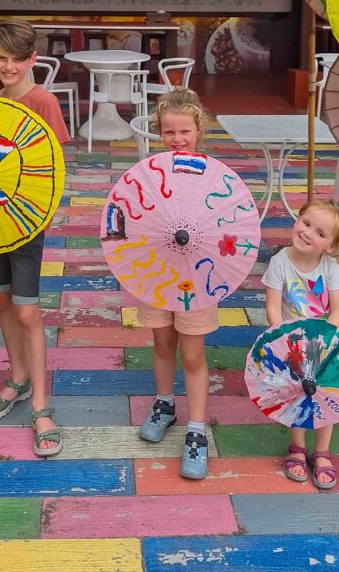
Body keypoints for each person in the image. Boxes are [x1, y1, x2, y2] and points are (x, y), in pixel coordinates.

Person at [0, 19, 70, 458]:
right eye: (1, 58)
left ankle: (40, 403)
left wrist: (35, 212)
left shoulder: (43, 101)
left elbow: (54, 167)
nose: (8, 66)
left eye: (17, 59)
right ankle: (17, 378)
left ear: (33, 60)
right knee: (3, 301)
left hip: (27, 221)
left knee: (28, 311)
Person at [136, 88, 216, 480]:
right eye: (169, 132)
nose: (177, 139)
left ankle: (197, 430)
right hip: (156, 272)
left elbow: (224, 226)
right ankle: (164, 403)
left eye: (185, 131)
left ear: (199, 129)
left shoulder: (214, 177)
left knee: (193, 354)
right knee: (163, 342)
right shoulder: (150, 172)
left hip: (198, 278)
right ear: (159, 133)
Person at [263, 198, 339, 490]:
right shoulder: (280, 263)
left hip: (323, 343)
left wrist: (325, 337)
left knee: (326, 394)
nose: (308, 233)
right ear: (297, 220)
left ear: (331, 246)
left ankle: (322, 450)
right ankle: (297, 445)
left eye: (320, 233)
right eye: (306, 223)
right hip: (291, 344)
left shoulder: (329, 267)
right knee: (296, 394)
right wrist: (284, 339)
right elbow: (273, 307)